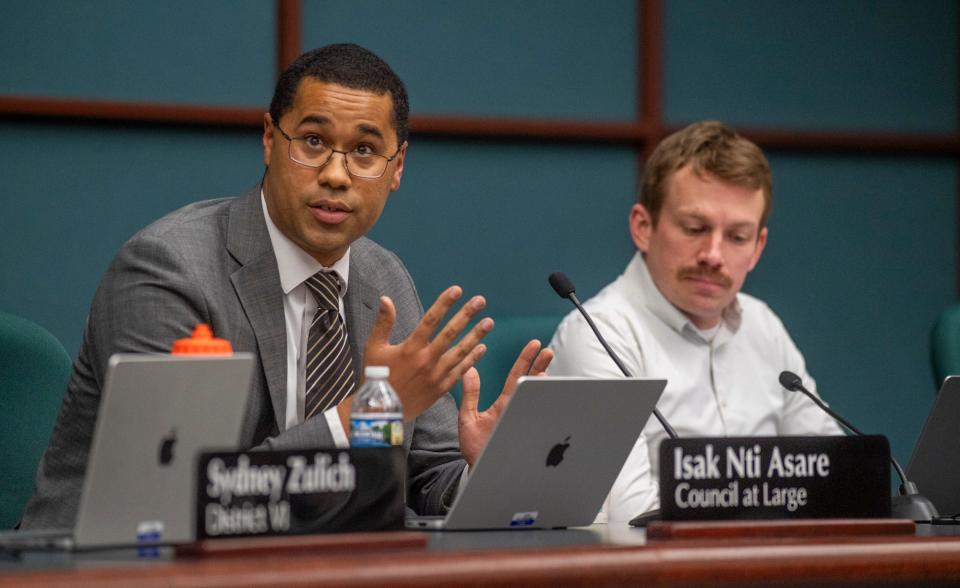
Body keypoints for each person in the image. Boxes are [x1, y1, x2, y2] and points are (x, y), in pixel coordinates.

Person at [20, 43, 551, 529]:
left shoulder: (384, 280)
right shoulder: (169, 269)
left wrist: (487, 474)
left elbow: (426, 475)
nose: (337, 175)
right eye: (314, 142)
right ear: (271, 140)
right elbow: (183, 494)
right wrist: (367, 416)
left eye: (365, 151)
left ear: (397, 167)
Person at [548, 121, 841, 522]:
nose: (713, 254)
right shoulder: (601, 336)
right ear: (643, 227)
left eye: (737, 237)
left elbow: (835, 479)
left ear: (757, 249)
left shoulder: (764, 325)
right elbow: (630, 519)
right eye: (694, 228)